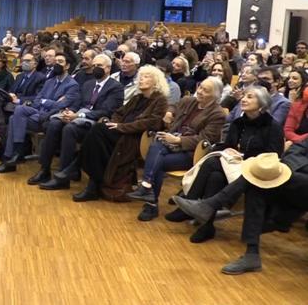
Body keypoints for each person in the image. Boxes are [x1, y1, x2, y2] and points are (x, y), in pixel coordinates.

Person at [166, 86, 284, 243]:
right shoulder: (239, 122)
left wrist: (244, 156)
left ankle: (190, 202)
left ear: (262, 104)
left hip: (256, 171)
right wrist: (228, 149)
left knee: (211, 162)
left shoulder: (272, 127)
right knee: (215, 176)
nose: (243, 99)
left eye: (250, 97)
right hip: (231, 166)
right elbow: (227, 145)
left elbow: (273, 157)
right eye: (244, 96)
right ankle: (207, 226)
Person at [173, 153, 305, 275]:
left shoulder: (271, 128)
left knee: (258, 175)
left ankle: (209, 206)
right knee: (254, 180)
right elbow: (298, 149)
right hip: (293, 172)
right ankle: (251, 254)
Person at [126, 77, 225, 221]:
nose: (200, 91)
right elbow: (173, 105)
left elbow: (206, 139)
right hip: (170, 144)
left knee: (157, 161)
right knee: (157, 147)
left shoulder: (217, 114)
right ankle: (148, 191)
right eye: (200, 87)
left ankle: (150, 201)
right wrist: (169, 112)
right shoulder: (189, 101)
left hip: (191, 152)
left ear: (215, 96)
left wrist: (179, 140)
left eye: (205, 90)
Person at [72, 66, 169, 201]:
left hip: (136, 138)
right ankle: (93, 183)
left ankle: (82, 174)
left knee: (97, 131)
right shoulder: (137, 98)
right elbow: (119, 112)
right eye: (141, 76)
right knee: (98, 136)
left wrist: (120, 126)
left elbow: (151, 123)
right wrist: (114, 123)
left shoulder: (160, 100)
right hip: (121, 132)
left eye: (146, 77)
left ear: (156, 81)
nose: (141, 79)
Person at [30, 54, 124, 187]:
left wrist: (79, 116)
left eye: (100, 66)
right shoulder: (88, 84)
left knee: (69, 129)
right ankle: (44, 169)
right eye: (95, 65)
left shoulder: (115, 87)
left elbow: (107, 111)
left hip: (95, 122)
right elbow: (77, 103)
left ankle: (63, 176)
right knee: (54, 123)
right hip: (77, 115)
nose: (96, 68)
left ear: (108, 68)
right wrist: (70, 112)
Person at [0, 52, 81, 172]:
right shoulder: (50, 81)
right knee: (18, 111)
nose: (56, 64)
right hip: (37, 112)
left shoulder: (72, 85)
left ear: (67, 66)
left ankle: (11, 158)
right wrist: (47, 101)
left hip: (50, 117)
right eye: (55, 62)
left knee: (14, 118)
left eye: (60, 62)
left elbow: (61, 105)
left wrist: (45, 101)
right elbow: (37, 100)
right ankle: (16, 154)